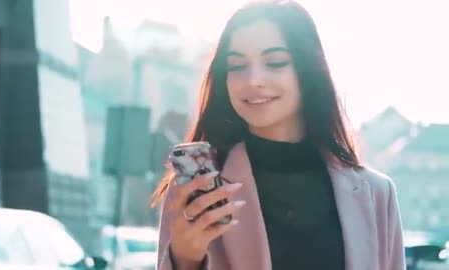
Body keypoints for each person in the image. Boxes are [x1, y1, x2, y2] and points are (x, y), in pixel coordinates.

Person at [151, 1, 406, 269]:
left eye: (275, 63)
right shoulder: (197, 190)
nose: (253, 80)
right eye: (237, 66)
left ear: (308, 71)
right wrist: (184, 259)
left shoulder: (376, 194)